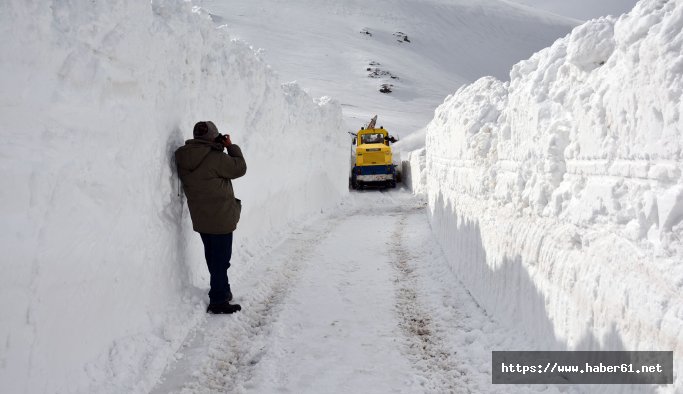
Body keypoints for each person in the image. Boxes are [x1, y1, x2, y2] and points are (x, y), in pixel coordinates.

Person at [175, 121, 247, 314]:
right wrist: (229, 146)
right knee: (221, 260)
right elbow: (240, 168)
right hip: (221, 217)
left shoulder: (183, 156)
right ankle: (218, 301)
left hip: (201, 217)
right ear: (213, 137)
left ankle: (222, 289)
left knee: (213, 257)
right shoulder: (216, 158)